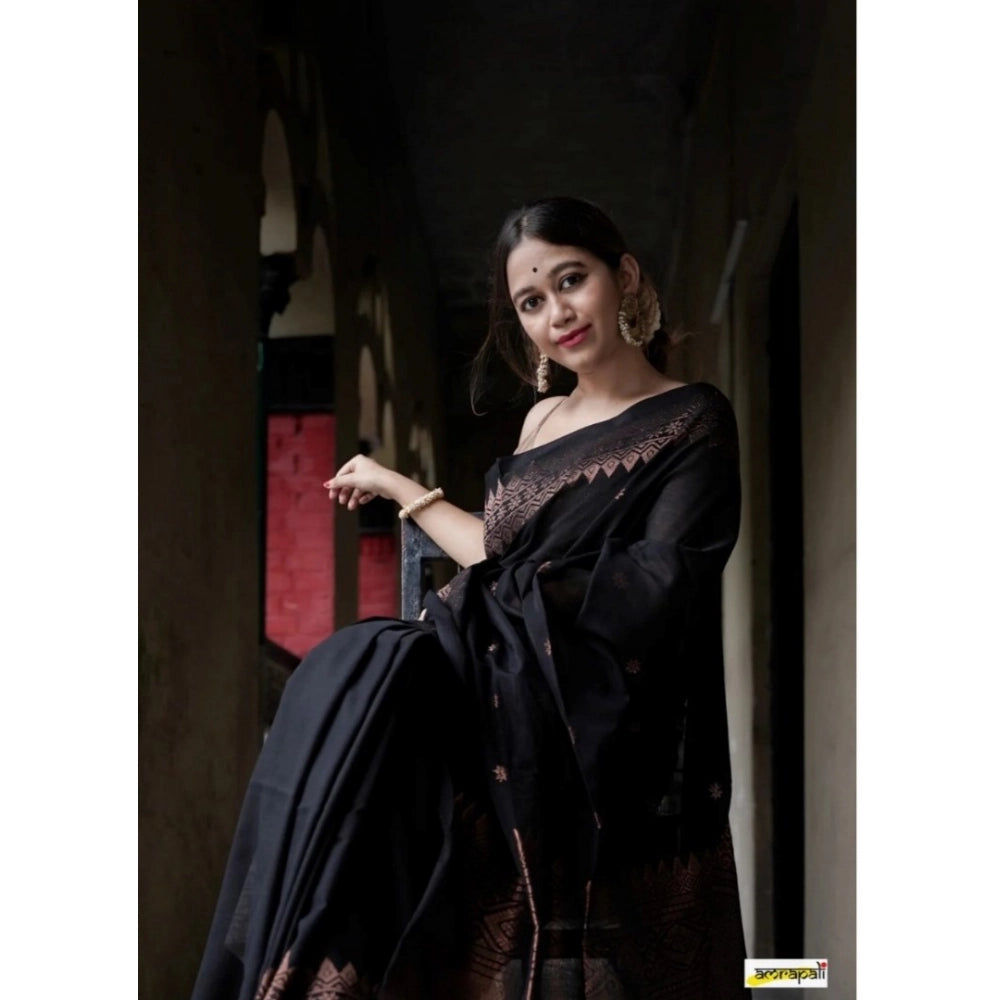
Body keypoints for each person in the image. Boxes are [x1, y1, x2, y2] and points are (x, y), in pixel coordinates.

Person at [192, 196, 745, 1000]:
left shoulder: (692, 418)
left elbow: (659, 585)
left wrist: (477, 613)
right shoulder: (541, 421)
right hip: (497, 701)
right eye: (532, 301)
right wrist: (398, 487)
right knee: (353, 685)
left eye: (572, 280)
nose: (557, 314)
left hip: (599, 724)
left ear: (623, 276)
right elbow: (502, 553)